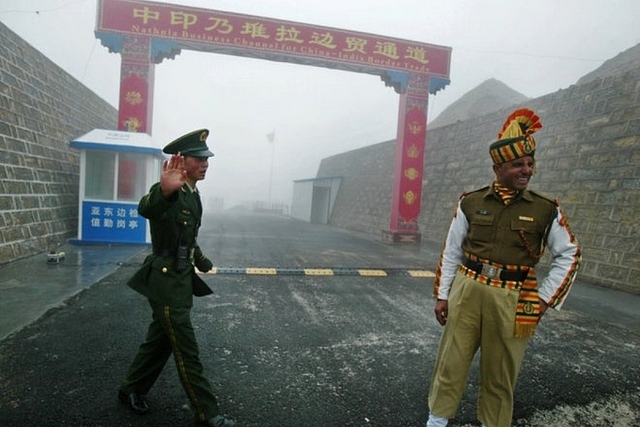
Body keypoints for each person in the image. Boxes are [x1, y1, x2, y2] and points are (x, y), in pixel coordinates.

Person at [425, 109, 582, 427]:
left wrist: (543, 299)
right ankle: (436, 422)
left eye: (529, 164)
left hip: (514, 298)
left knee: (500, 373)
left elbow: (570, 254)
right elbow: (452, 250)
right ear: (498, 168)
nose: (526, 171)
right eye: (517, 165)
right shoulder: (470, 202)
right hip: (467, 291)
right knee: (450, 364)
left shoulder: (544, 209)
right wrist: (443, 295)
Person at [118, 129, 236, 427]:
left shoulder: (194, 196)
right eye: (199, 159)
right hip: (166, 282)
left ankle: (131, 388)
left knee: (159, 341)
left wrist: (201, 259)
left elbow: (187, 239)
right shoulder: (169, 191)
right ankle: (207, 412)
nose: (205, 163)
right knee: (186, 350)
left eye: (207, 158)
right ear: (181, 162)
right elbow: (147, 208)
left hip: (181, 280)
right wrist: (165, 190)